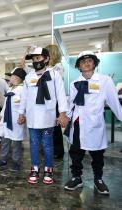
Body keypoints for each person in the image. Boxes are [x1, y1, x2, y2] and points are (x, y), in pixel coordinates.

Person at [64, 51, 122, 195]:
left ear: (94, 63)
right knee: (75, 153)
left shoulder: (105, 80)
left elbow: (113, 102)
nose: (87, 63)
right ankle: (77, 177)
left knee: (97, 154)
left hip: (95, 124)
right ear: (79, 66)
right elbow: (71, 103)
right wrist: (66, 118)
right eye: (83, 61)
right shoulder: (74, 83)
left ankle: (98, 180)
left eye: (90, 60)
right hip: (78, 123)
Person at [18, 47, 68, 185]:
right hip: (33, 118)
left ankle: (48, 170)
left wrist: (62, 113)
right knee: (34, 145)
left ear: (46, 59)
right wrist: (21, 113)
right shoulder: (29, 77)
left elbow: (61, 95)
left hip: (48, 117)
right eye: (34, 59)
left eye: (38, 58)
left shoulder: (55, 74)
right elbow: (24, 98)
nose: (35, 61)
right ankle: (34, 169)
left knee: (47, 145)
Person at [0, 68, 27, 172]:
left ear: (17, 78)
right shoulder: (10, 89)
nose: (9, 78)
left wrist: (23, 116)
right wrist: (0, 116)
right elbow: (6, 106)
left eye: (11, 76)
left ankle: (16, 162)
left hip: (17, 121)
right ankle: (3, 159)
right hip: (7, 119)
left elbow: (25, 105)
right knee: (5, 140)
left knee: (16, 143)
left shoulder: (23, 90)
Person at [45, 44, 65, 159]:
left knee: (56, 127)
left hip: (56, 100)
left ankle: (58, 151)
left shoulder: (58, 67)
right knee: (50, 126)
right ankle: (51, 149)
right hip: (49, 100)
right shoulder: (50, 67)